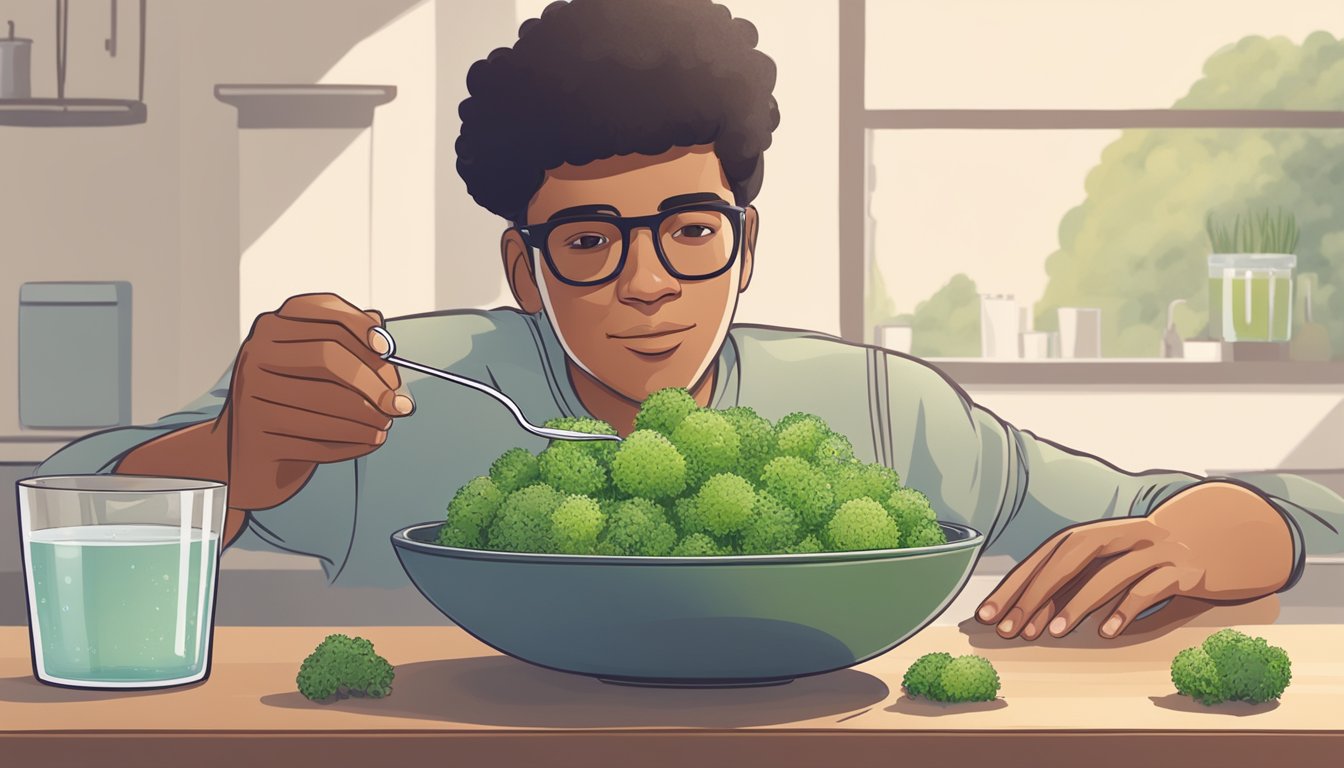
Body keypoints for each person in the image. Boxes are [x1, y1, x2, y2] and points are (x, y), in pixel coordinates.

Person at [36, 0, 1343, 641]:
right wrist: (231, 462)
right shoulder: (398, 400)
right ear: (521, 262)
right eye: (591, 241)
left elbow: (1259, 510)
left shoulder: (885, 417)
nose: (649, 284)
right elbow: (48, 511)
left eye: (690, 229)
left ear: (747, 242)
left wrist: (1206, 534)